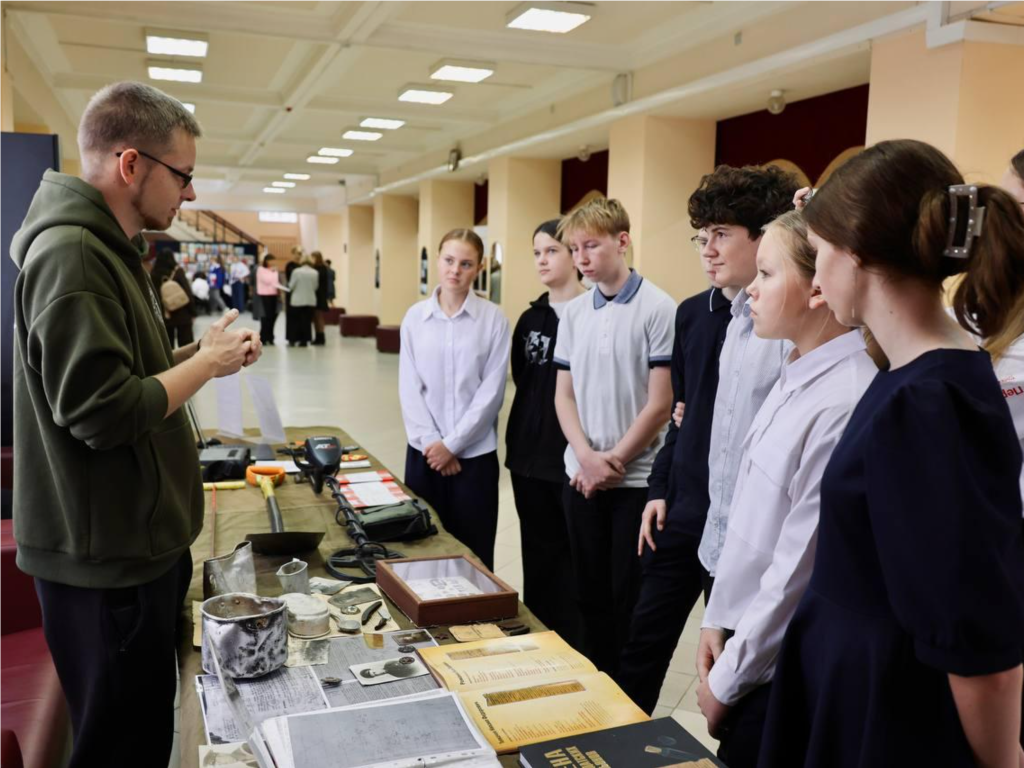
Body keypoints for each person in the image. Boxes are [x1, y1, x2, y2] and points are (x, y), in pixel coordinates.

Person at [10, 81, 262, 768]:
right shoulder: (74, 255)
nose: (188, 193)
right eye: (181, 175)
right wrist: (202, 367)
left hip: (129, 550)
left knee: (144, 730)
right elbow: (102, 412)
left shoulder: (111, 250)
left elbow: (131, 370)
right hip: (105, 566)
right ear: (131, 165)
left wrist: (202, 357)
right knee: (121, 745)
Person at [758, 139, 1024, 767]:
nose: (817, 279)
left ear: (856, 254)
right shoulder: (906, 374)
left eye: (818, 256)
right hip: (853, 681)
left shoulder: (931, 400)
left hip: (889, 708)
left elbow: (977, 644)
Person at [692, 211, 878, 767]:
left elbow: (796, 567)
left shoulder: (846, 400)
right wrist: (715, 617)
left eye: (768, 274)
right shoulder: (795, 372)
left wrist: (729, 677)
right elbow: (748, 518)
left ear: (817, 288)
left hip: (780, 666)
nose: (751, 286)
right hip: (742, 635)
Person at [617, 165, 797, 713]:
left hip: (750, 524)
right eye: (702, 237)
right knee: (641, 646)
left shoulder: (787, 324)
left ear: (763, 236)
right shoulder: (695, 314)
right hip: (689, 507)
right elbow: (684, 416)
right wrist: (659, 489)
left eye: (721, 235)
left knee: (735, 662)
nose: (708, 250)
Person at [552, 197, 676, 677]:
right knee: (587, 593)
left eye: (591, 246)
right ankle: (591, 680)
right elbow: (564, 396)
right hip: (580, 478)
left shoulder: (658, 307)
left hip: (634, 483)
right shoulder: (576, 313)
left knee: (627, 596)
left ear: (622, 241)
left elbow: (659, 403)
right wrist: (585, 458)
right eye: (574, 248)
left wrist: (612, 462)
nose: (581, 258)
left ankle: (622, 691)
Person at [399, 229, 510, 570]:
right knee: (422, 550)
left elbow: (491, 393)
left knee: (472, 554)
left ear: (479, 268)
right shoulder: (415, 318)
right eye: (449, 260)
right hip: (424, 455)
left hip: (474, 457)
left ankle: (477, 621)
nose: (455, 271)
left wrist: (454, 444)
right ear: (437, 259)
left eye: (466, 263)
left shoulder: (494, 319)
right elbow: (409, 387)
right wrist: (434, 443)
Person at [505, 219, 585, 647]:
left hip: (572, 460)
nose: (542, 260)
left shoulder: (591, 314)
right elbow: (523, 377)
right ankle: (537, 639)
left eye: (551, 251)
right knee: (535, 552)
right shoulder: (529, 318)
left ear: (574, 254)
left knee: (570, 557)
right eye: (536, 252)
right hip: (526, 457)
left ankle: (574, 641)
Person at [151, 248, 196, 348]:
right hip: (182, 312)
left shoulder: (154, 274)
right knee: (186, 345)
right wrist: (193, 312)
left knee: (167, 346)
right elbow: (187, 292)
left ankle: (170, 363)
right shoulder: (178, 271)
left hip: (165, 314)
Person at [288, 254, 318, 347]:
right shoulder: (315, 272)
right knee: (306, 321)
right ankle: (304, 341)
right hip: (310, 300)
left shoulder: (296, 271)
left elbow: (291, 286)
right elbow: (315, 287)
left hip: (297, 300)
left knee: (295, 321)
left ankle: (293, 339)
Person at [256, 254, 284, 345]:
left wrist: (274, 272)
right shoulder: (261, 269)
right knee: (266, 317)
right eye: (271, 261)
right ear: (266, 261)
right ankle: (263, 337)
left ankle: (271, 337)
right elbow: (267, 280)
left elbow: (276, 281)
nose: (273, 263)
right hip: (264, 295)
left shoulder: (273, 270)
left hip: (274, 295)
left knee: (273, 317)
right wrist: (273, 272)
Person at [311, 250, 330, 346]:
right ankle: (318, 337)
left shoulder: (321, 268)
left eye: (313, 257)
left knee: (319, 317)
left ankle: (321, 336)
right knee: (315, 317)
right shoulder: (319, 268)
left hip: (320, 296)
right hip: (317, 295)